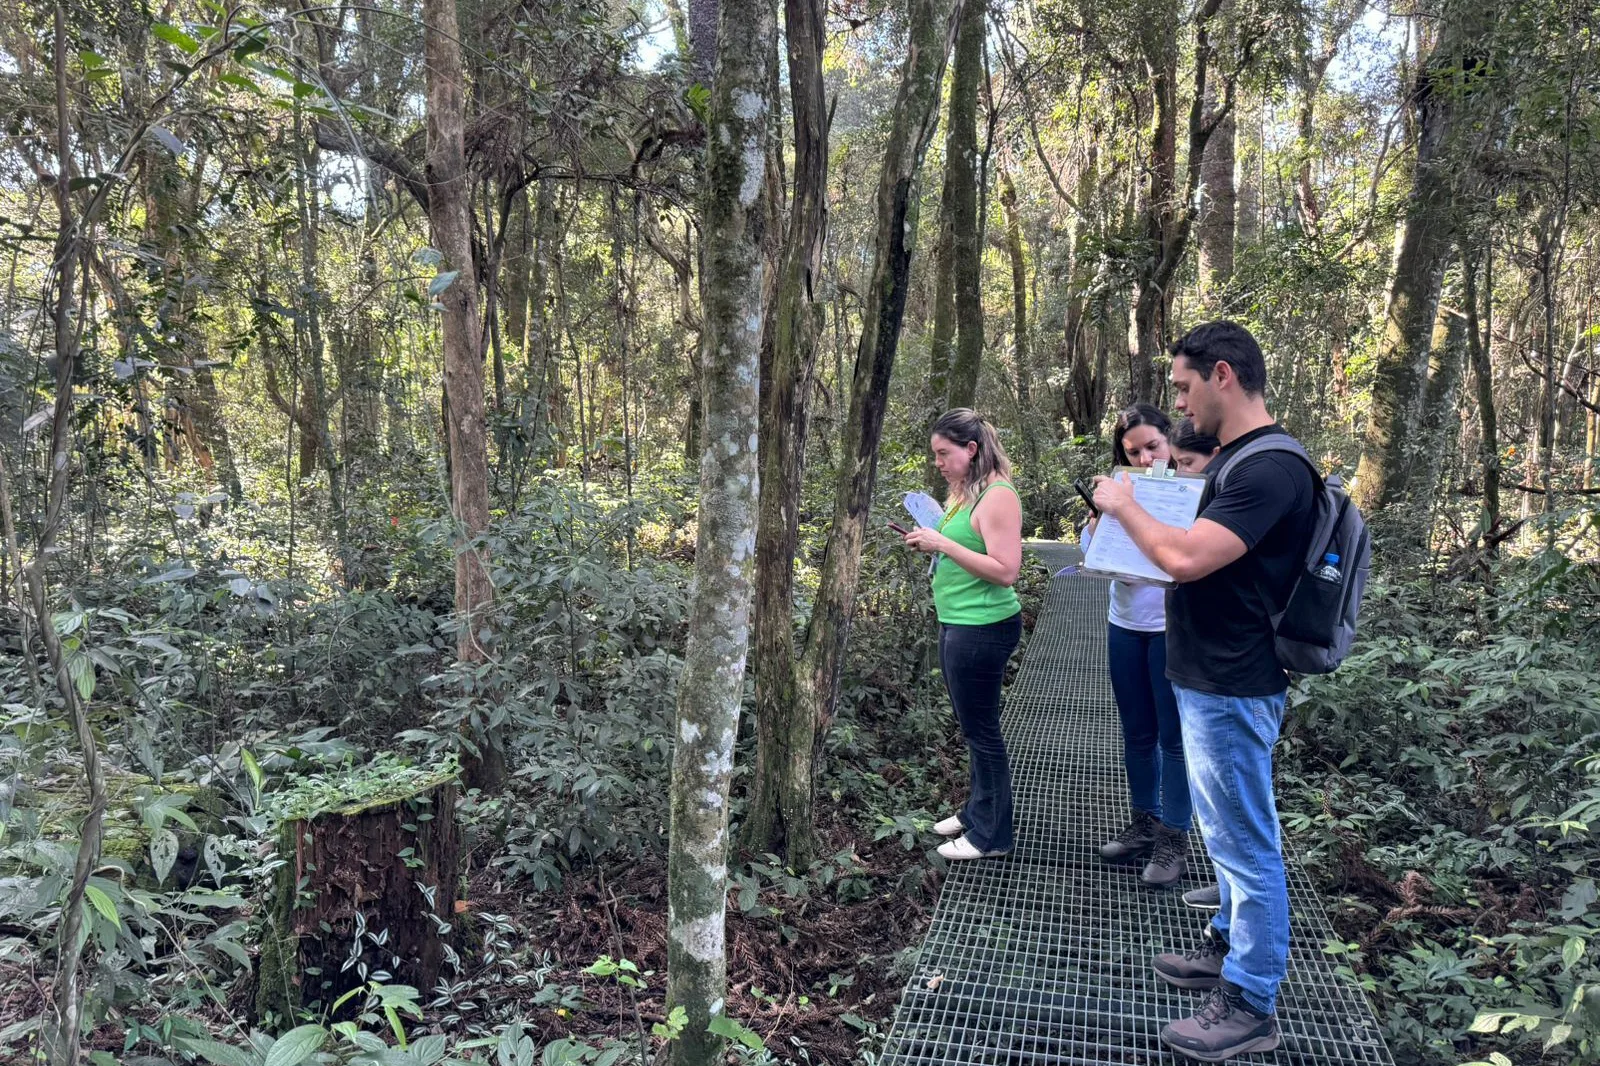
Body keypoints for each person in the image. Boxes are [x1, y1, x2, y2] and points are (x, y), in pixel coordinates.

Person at [1093, 322, 1316, 1061]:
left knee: (1248, 847)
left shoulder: (1270, 469)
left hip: (1234, 679)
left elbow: (1188, 558)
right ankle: (1225, 949)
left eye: (1185, 388)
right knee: (1226, 836)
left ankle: (1250, 1001)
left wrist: (1123, 507)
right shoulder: (1241, 461)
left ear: (1224, 375)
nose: (1180, 406)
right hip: (1206, 675)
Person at [903, 409, 1024, 862]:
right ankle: (977, 812)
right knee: (973, 728)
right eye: (934, 454)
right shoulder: (965, 493)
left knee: (983, 731)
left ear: (971, 450)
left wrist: (944, 545)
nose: (938, 462)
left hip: (983, 626)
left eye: (944, 453)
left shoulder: (997, 496)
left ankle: (992, 835)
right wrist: (933, 541)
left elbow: (1006, 570)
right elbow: (963, 551)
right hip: (959, 620)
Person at [1089, 404, 1192, 889]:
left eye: (1153, 446)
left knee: (1173, 737)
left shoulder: (1192, 489)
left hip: (1171, 628)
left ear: (1169, 441)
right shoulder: (1118, 493)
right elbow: (1096, 553)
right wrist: (1097, 521)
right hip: (1124, 620)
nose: (1147, 458)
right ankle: (1145, 820)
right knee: (1136, 732)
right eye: (1133, 452)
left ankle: (1175, 835)